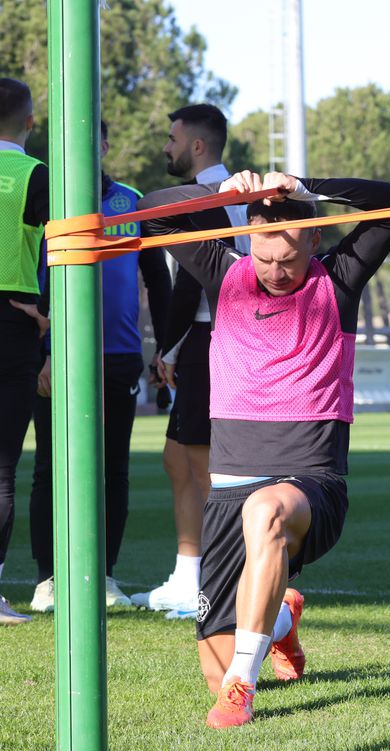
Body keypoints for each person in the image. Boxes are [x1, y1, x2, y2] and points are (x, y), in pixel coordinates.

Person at [138, 169, 390, 728]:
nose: (275, 271)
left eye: (287, 259)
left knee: (265, 514)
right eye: (264, 259)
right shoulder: (226, 274)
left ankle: (243, 684)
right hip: (229, 494)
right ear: (248, 242)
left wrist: (304, 185)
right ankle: (280, 621)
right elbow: (154, 209)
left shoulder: (338, 280)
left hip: (311, 487)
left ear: (315, 238)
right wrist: (224, 197)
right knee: (211, 662)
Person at [27, 119, 172, 611]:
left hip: (120, 358)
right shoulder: (45, 198)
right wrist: (43, 345)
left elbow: (157, 278)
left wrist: (166, 345)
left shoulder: (133, 202)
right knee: (50, 466)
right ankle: (48, 579)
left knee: (114, 469)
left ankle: (103, 576)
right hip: (56, 356)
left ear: (106, 145)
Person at [130, 103, 249, 616]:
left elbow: (196, 281)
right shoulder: (236, 193)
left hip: (212, 337)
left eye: (172, 138)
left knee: (203, 470)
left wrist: (169, 348)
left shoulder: (208, 198)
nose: (166, 147)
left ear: (197, 146)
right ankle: (186, 576)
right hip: (206, 337)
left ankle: (218, 589)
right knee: (178, 460)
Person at [0, 78, 48, 625]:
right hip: (11, 324)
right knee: (1, 469)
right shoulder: (35, 174)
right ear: (30, 123)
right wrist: (47, 316)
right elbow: (63, 252)